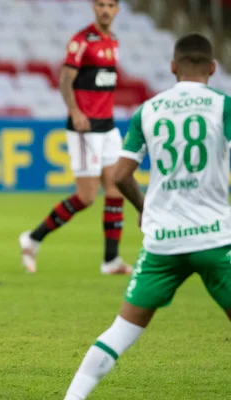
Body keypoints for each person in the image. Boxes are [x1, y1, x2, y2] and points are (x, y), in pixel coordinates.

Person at [64, 33, 231, 400]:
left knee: (121, 331)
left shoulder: (149, 110)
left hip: (164, 242)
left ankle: (72, 398)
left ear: (173, 67)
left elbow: (121, 175)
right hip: (217, 239)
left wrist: (144, 207)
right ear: (213, 68)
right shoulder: (223, 105)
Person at [19, 0, 131, 275]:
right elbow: (65, 80)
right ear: (94, 7)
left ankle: (111, 260)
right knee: (87, 196)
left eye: (111, 5)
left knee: (116, 189)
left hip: (108, 127)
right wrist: (75, 111)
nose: (106, 10)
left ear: (117, 10)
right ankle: (33, 238)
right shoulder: (82, 41)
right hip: (84, 129)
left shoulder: (113, 41)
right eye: (101, 4)